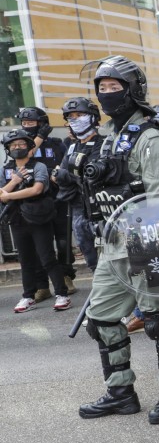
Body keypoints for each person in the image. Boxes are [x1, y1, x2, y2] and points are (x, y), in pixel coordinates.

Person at [77, 55, 159, 425]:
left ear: (133, 90)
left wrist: (141, 231)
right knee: (101, 319)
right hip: (112, 245)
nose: (107, 94)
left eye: (114, 88)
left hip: (148, 244)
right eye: (102, 88)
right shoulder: (110, 138)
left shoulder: (151, 138)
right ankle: (121, 391)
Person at [1, 129, 70, 312]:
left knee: (47, 257)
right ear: (7, 149)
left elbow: (37, 190)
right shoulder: (6, 169)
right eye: (13, 145)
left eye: (21, 144)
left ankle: (62, 294)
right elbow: (1, 196)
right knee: (26, 260)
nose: (17, 148)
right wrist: (15, 181)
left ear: (29, 146)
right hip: (17, 221)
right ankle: (28, 296)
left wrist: (10, 194)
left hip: (39, 219)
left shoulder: (38, 166)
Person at [18, 106, 73, 299]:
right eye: (24, 123)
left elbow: (68, 165)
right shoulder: (21, 144)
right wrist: (38, 137)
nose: (27, 127)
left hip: (58, 198)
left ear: (42, 123)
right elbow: (26, 155)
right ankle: (42, 285)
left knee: (63, 239)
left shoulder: (57, 144)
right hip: (35, 203)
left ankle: (66, 276)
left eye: (31, 123)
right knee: (39, 245)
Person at [52, 97, 102, 273]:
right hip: (77, 208)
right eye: (71, 117)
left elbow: (90, 176)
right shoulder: (72, 147)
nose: (75, 120)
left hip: (99, 207)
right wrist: (67, 174)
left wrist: (66, 174)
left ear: (93, 117)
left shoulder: (103, 144)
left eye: (80, 115)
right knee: (90, 256)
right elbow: (58, 177)